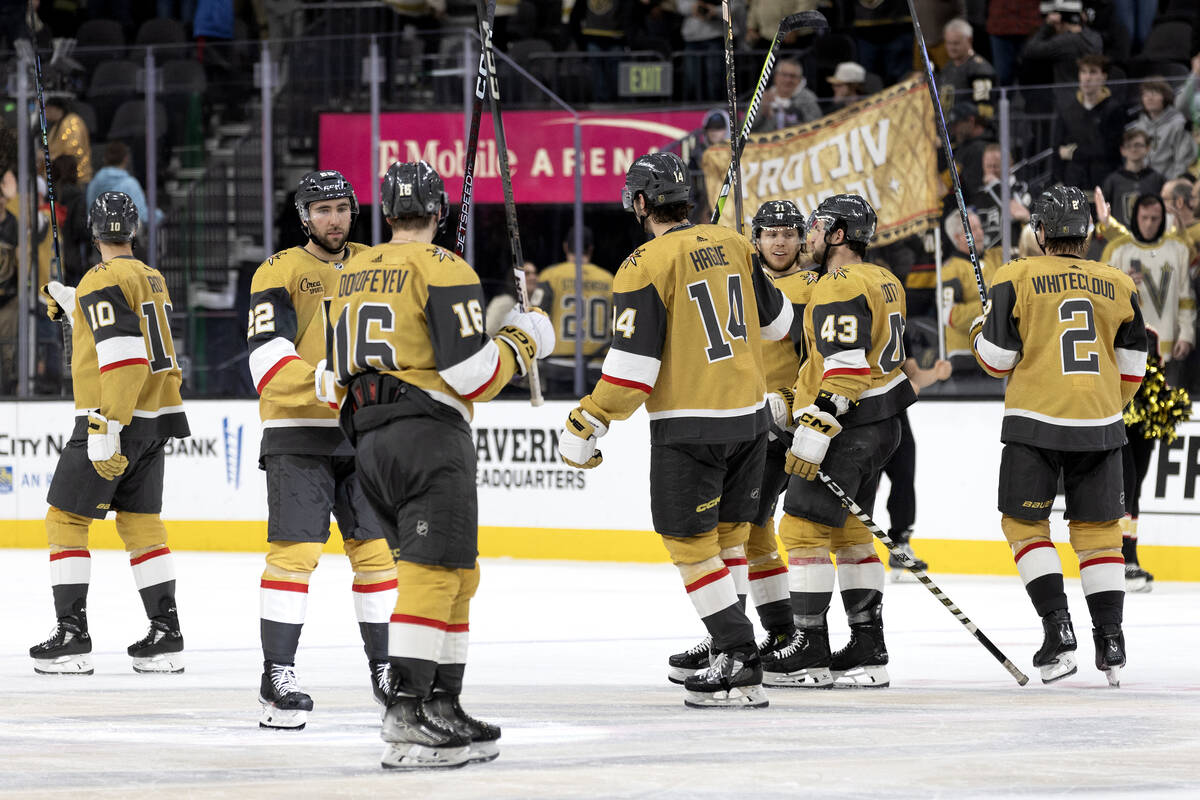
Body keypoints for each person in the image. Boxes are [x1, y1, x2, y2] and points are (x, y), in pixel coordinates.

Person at [327, 160, 554, 769]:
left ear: (384, 210)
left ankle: (443, 704)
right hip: (427, 434)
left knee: (454, 570)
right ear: (439, 212)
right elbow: (470, 376)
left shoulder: (350, 271)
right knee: (434, 573)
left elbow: (329, 382)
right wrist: (524, 341)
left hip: (369, 440)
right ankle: (406, 711)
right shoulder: (444, 266)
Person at [557, 152, 794, 708]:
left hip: (691, 428)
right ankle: (726, 647)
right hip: (750, 422)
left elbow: (632, 371)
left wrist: (587, 417)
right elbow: (780, 322)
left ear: (640, 202)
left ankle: (738, 655)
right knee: (729, 540)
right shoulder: (736, 242)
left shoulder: (642, 263)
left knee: (689, 547)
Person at [970, 185, 1148, 687]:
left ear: (1040, 231)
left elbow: (997, 360)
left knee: (1025, 527)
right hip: (1100, 424)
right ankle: (1110, 640)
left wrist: (978, 334)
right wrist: (1105, 405)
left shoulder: (1015, 275)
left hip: (1035, 423)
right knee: (1098, 536)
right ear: (1089, 232)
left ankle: (1059, 629)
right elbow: (1134, 367)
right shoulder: (1119, 282)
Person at [245, 170, 395, 730]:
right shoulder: (278, 271)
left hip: (364, 434)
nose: (334, 218)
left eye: (342, 208)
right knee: (294, 557)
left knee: (377, 557)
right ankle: (276, 674)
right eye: (322, 209)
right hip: (297, 434)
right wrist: (337, 384)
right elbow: (267, 363)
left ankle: (386, 670)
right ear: (304, 216)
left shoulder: (379, 265)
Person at [30, 192, 190, 675]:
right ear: (134, 230)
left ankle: (72, 637)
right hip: (155, 417)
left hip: (113, 417)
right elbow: (135, 333)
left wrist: (106, 423)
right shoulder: (149, 276)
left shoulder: (101, 277)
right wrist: (75, 302)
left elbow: (123, 355)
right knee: (141, 525)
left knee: (64, 520)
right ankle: (166, 634)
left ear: (94, 232)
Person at [761, 194, 915, 690]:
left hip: (849, 428)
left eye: (816, 226)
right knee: (850, 536)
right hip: (884, 425)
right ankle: (869, 649)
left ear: (838, 235)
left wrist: (815, 427)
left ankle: (808, 649)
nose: (806, 235)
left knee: (803, 532)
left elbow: (846, 368)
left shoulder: (837, 284)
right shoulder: (884, 278)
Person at [667, 199, 814, 684]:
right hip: (745, 420)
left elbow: (821, 359)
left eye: (789, 234)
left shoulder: (812, 289)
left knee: (750, 531)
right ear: (755, 238)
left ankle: (763, 634)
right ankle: (747, 633)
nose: (779, 242)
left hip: (788, 424)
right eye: (770, 233)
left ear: (802, 239)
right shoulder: (740, 273)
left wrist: (793, 400)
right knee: (747, 532)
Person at [1099, 193, 1195, 383]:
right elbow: (1100, 296)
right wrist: (1122, 285)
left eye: (1154, 218)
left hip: (1170, 347)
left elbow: (1186, 299)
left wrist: (1187, 335)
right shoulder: (1117, 250)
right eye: (1144, 218)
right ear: (1135, 217)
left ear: (1163, 219)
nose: (1149, 224)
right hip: (1126, 349)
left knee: (1170, 408)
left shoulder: (1178, 249)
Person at [534, 226, 614, 398]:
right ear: (591, 249)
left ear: (565, 247)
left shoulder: (551, 276)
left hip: (558, 364)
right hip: (596, 364)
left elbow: (536, 318)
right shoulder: (609, 280)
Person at [940, 210, 1004, 375]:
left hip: (995, 352)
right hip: (965, 358)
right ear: (956, 237)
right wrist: (991, 306)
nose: (980, 233)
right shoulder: (950, 269)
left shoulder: (994, 257)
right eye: (972, 229)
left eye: (980, 227)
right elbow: (949, 315)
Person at [1052, 54, 1125, 193]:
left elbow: (1108, 150)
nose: (1087, 77)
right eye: (1083, 72)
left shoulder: (1114, 109)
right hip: (1074, 182)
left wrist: (1074, 152)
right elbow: (1057, 149)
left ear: (1104, 77)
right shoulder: (1067, 110)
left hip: (1104, 183)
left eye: (1093, 72)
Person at [1127, 79, 1198, 181]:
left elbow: (1182, 160)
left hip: (1169, 183)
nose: (1149, 98)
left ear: (1166, 97)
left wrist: (1174, 183)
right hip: (1144, 183)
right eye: (1145, 94)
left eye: (1155, 93)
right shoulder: (1138, 127)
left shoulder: (1178, 125)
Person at [1100, 129, 1164, 232]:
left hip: (1151, 236)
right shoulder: (1113, 181)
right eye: (1128, 146)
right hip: (1121, 238)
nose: (1133, 149)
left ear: (1147, 148)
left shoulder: (1157, 179)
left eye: (1138, 145)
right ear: (1122, 150)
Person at [972, 143, 1031, 252]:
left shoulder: (1021, 189)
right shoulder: (979, 195)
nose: (992, 171)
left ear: (1010, 165)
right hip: (988, 257)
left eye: (996, 166)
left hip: (1015, 254)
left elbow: (1016, 212)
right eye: (988, 166)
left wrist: (995, 186)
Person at [936, 18, 995, 118]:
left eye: (956, 43)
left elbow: (985, 109)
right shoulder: (947, 68)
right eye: (948, 43)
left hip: (969, 128)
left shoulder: (979, 70)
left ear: (969, 40)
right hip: (947, 129)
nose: (951, 48)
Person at [87, 142, 151, 231]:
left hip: (100, 240)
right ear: (126, 159)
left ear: (105, 159)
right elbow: (143, 216)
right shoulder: (131, 184)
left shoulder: (93, 184)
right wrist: (159, 215)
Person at [751, 57, 822, 133]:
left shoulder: (808, 98)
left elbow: (817, 127)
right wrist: (762, 112)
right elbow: (743, 128)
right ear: (776, 76)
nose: (788, 80)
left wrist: (791, 113)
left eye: (793, 76)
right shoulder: (763, 97)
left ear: (800, 79)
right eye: (784, 75)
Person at [44, 94, 92, 184]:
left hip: (75, 177)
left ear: (55, 109)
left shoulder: (72, 123)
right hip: (60, 176)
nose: (45, 113)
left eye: (47, 110)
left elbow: (72, 152)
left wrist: (48, 157)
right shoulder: (57, 125)